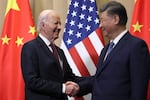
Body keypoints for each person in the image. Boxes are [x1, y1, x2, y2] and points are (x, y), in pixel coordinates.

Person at [67, 1, 150, 100]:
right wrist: (79, 87)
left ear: (115, 19)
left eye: (102, 20)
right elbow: (100, 79)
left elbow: (139, 87)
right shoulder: (105, 49)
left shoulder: (136, 46)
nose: (100, 26)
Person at [21, 9, 80, 100]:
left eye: (60, 23)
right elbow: (32, 81)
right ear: (43, 25)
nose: (60, 27)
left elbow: (70, 78)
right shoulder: (30, 48)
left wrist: (96, 80)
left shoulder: (59, 51)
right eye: (56, 23)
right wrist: (63, 88)